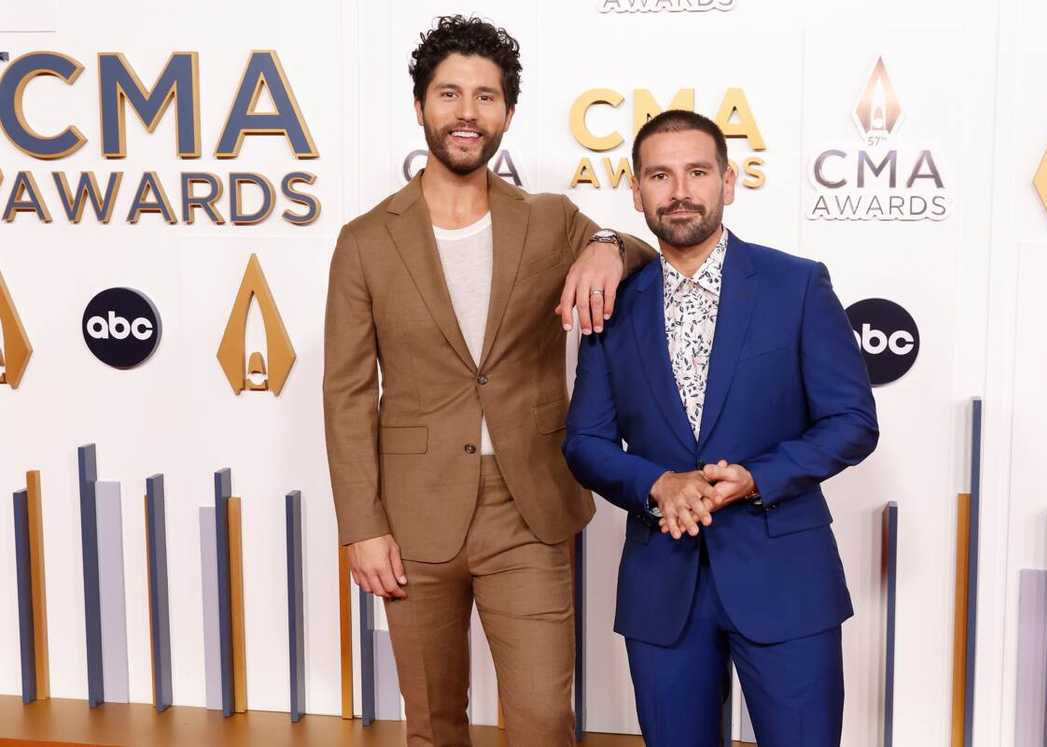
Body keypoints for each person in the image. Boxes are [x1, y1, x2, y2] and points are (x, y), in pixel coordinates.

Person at [322, 15, 655, 747]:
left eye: (486, 96)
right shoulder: (365, 241)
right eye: (449, 94)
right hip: (410, 518)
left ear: (506, 113)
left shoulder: (550, 219)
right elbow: (346, 395)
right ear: (421, 108)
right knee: (434, 724)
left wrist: (606, 246)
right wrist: (361, 525)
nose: (467, 112)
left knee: (542, 720)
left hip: (528, 507)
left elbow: (637, 247)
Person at [562, 109, 879, 747]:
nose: (680, 191)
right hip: (663, 588)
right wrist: (659, 485)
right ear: (637, 192)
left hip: (786, 579)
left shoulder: (796, 284)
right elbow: (585, 442)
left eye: (697, 172)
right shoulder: (614, 302)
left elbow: (852, 420)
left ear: (728, 183)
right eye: (660, 175)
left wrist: (759, 476)